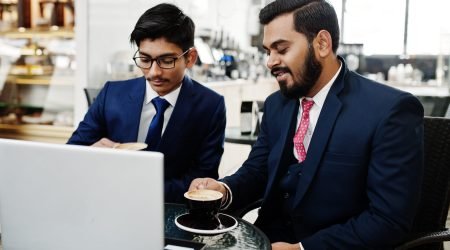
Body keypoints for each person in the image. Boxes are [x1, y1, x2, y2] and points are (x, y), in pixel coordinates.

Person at [189, 0, 424, 249]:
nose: (270, 62)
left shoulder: (388, 111)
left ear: (322, 44)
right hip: (264, 239)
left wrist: (302, 249)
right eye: (268, 51)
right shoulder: (276, 105)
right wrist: (223, 190)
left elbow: (388, 220)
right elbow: (257, 171)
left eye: (281, 49)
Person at [68, 3, 226, 203]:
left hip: (170, 213)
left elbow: (202, 182)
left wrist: (134, 187)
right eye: (145, 59)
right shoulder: (111, 94)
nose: (154, 72)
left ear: (190, 58)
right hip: (107, 203)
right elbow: (72, 154)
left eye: (166, 60)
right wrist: (91, 155)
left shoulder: (210, 106)